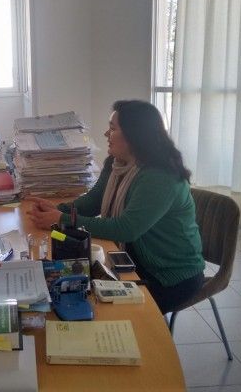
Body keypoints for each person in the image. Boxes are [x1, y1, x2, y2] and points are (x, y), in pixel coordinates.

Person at [27, 100, 205, 314]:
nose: (106, 134)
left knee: (104, 310)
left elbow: (126, 229)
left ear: (134, 135)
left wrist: (62, 219)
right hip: (130, 259)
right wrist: (60, 209)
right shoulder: (116, 163)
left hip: (169, 274)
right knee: (69, 285)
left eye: (112, 128)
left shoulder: (160, 176)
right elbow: (93, 201)